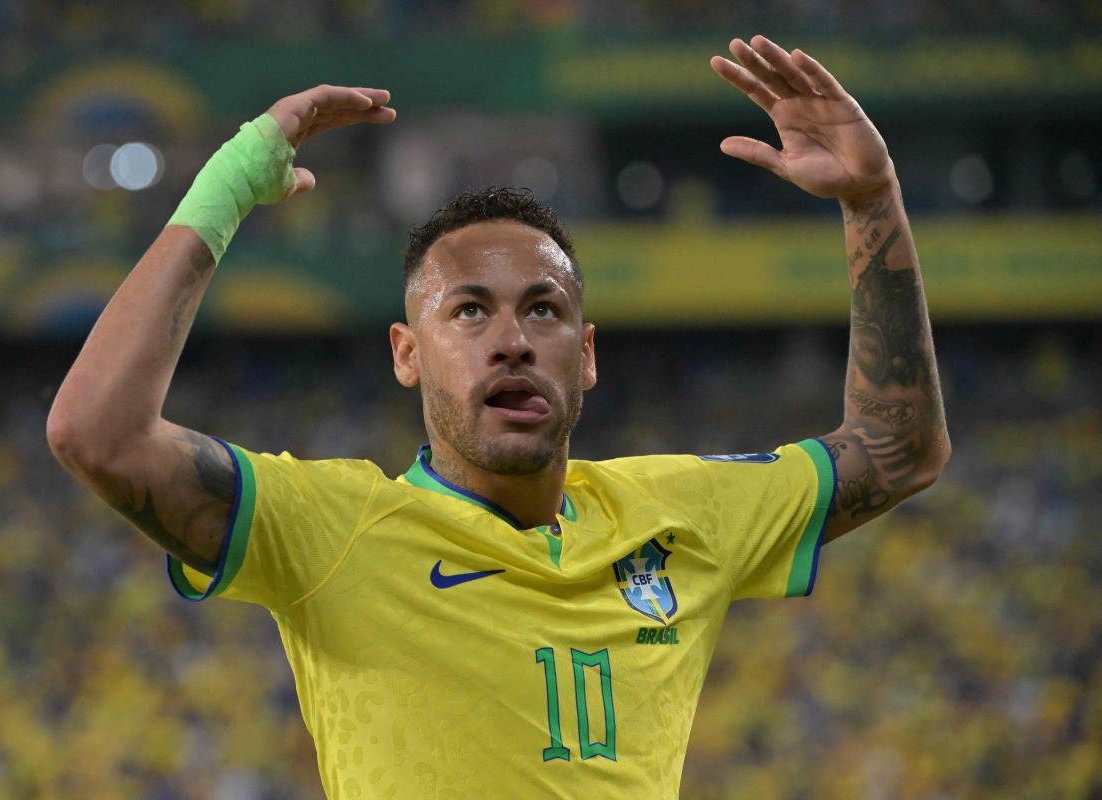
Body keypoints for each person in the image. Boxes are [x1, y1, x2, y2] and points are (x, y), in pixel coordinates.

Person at [47, 36, 950, 799]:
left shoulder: (683, 513)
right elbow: (97, 434)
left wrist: (873, 203)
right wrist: (231, 183)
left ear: (587, 354)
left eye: (544, 309)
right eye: (469, 311)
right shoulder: (331, 530)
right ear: (407, 352)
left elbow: (898, 450)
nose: (512, 340)